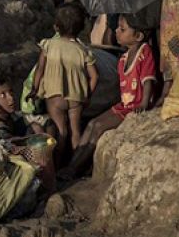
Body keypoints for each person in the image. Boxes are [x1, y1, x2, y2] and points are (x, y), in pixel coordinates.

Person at [66, 11, 157, 177]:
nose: (116, 32)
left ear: (138, 36)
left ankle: (75, 169)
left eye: (122, 29)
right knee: (92, 124)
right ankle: (73, 164)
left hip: (134, 106)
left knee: (99, 127)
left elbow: (147, 80)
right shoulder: (123, 58)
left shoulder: (145, 52)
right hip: (124, 106)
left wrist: (144, 103)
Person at [27, 2, 99, 165]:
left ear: (56, 27)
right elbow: (94, 76)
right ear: (80, 28)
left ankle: (58, 163)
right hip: (76, 98)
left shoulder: (48, 45)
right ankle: (75, 165)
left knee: (61, 131)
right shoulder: (83, 50)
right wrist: (86, 96)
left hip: (54, 96)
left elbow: (40, 69)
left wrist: (34, 89)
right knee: (75, 131)